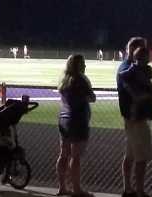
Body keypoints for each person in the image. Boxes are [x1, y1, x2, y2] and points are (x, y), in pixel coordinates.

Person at [116, 37, 152, 197]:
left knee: (130, 154)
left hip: (130, 116)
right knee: (141, 157)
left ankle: (128, 188)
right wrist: (149, 96)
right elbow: (136, 93)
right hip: (136, 117)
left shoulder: (126, 67)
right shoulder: (131, 69)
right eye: (143, 50)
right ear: (135, 50)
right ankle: (139, 191)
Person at [56, 54, 96, 197]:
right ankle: (77, 189)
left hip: (64, 119)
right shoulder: (81, 79)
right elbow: (93, 98)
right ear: (77, 66)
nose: (85, 66)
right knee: (76, 156)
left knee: (63, 155)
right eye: (83, 64)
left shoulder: (63, 79)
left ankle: (62, 187)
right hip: (78, 120)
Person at [123, 47, 152, 119]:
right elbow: (125, 77)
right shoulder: (135, 68)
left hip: (145, 92)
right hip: (140, 94)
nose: (149, 58)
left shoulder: (144, 68)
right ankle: (149, 100)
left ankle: (150, 100)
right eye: (148, 56)